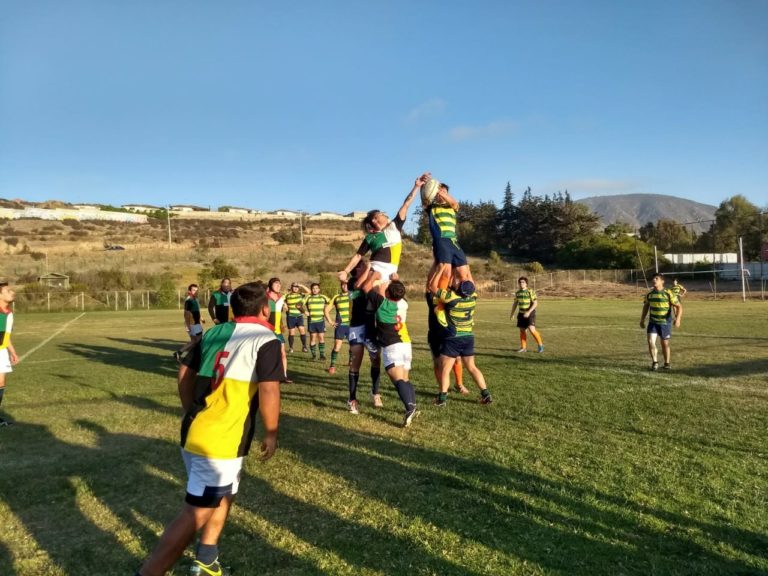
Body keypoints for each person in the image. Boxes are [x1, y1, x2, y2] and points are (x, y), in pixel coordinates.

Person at [135, 281, 283, 576]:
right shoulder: (265, 338)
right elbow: (269, 389)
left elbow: (184, 372)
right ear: (266, 308)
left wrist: (191, 409)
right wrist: (272, 431)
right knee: (195, 513)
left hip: (201, 431)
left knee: (224, 495)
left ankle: (207, 559)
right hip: (219, 440)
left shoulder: (213, 332)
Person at [338, 173, 425, 285]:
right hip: (374, 271)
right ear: (374, 220)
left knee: (394, 301)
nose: (384, 214)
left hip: (391, 274)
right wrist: (346, 271)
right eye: (380, 213)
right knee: (369, 294)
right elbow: (358, 255)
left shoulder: (395, 226)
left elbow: (407, 203)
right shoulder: (370, 237)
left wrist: (417, 186)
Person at [360, 273, 418, 427]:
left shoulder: (381, 303)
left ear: (387, 293)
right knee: (405, 379)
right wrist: (395, 280)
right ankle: (412, 405)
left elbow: (365, 287)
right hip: (406, 344)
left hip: (392, 345)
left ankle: (410, 407)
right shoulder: (403, 303)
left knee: (397, 379)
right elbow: (399, 291)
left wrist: (375, 276)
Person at [431, 276, 492, 407]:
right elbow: (470, 283)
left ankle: (442, 398)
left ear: (459, 289)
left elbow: (432, 286)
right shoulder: (473, 298)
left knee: (445, 369)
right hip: (468, 336)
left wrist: (441, 271)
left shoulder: (451, 298)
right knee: (472, 367)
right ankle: (486, 394)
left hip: (453, 337)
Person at [345, 260, 384, 413]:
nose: (368, 267)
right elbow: (358, 287)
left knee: (375, 359)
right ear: (358, 269)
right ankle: (352, 399)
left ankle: (375, 393)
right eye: (363, 266)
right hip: (356, 326)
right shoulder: (352, 282)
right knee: (356, 361)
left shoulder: (374, 279)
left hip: (371, 326)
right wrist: (370, 270)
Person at [424, 179, 473, 290]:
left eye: (444, 192)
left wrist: (443, 193)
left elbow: (454, 203)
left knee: (464, 273)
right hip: (441, 240)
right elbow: (425, 200)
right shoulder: (432, 207)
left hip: (454, 242)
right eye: (438, 192)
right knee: (446, 273)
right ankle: (440, 303)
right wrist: (425, 186)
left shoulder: (452, 206)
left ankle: (468, 298)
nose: (441, 194)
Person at [425, 285, 467, 395]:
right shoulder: (432, 299)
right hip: (435, 335)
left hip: (450, 334)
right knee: (438, 363)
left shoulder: (451, 300)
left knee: (457, 359)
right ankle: (442, 389)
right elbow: (429, 285)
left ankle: (459, 384)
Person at [640, 273, 682, 371]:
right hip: (653, 322)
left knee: (664, 343)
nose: (654, 280)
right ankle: (655, 362)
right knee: (650, 341)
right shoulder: (649, 294)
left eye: (656, 278)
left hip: (665, 322)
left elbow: (679, 306)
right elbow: (646, 306)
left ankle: (667, 363)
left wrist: (678, 319)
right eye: (653, 278)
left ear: (662, 281)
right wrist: (642, 319)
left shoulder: (668, 293)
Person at [0, 282, 19, 427]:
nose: (12, 292)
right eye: (7, 291)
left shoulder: (9, 313)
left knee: (1, 383)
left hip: (2, 351)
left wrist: (12, 352)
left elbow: (6, 335)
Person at [509, 277, 544, 353]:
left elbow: (535, 303)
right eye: (520, 282)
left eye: (523, 282)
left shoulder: (530, 291)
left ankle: (540, 345)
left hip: (530, 313)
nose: (521, 284)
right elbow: (515, 303)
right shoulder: (518, 293)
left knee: (532, 330)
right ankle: (523, 348)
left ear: (526, 283)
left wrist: (528, 312)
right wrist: (512, 314)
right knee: (522, 330)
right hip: (521, 313)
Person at [267, 277, 291, 383]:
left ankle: (284, 376)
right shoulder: (265, 298)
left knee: (282, 353)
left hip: (278, 331)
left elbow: (281, 310)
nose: (278, 285)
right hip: (267, 331)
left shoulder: (281, 297)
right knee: (269, 354)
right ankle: (268, 375)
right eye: (276, 284)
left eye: (279, 284)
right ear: (270, 285)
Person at [324, 280, 350, 375]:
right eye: (343, 284)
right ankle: (332, 366)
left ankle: (350, 362)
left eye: (347, 284)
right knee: (337, 347)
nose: (345, 286)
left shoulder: (354, 295)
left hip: (352, 325)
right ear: (341, 286)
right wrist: (330, 321)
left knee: (353, 346)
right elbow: (326, 310)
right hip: (341, 326)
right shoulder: (336, 297)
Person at [174, 284, 204, 362]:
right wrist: (187, 325)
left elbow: (196, 311)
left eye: (197, 290)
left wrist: (201, 318)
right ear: (189, 291)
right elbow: (186, 314)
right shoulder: (189, 301)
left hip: (196, 323)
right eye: (194, 290)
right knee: (198, 340)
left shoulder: (195, 299)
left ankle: (181, 354)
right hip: (193, 324)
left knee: (194, 342)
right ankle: (181, 353)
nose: (195, 292)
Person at [304, 283, 330, 361]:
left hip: (321, 321)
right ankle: (314, 355)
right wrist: (304, 311)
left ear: (319, 289)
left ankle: (322, 355)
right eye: (313, 288)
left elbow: (333, 303)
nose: (315, 290)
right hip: (311, 321)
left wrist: (327, 310)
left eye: (316, 288)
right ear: (311, 289)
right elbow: (298, 305)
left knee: (321, 337)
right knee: (313, 338)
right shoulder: (308, 297)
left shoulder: (323, 297)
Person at [284, 282, 309, 353]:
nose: (295, 288)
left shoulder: (301, 295)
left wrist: (302, 285)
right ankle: (291, 348)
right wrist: (284, 304)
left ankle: (304, 347)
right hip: (290, 316)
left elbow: (309, 292)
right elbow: (280, 298)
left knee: (302, 330)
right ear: (291, 287)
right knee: (292, 332)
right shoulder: (287, 295)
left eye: (297, 287)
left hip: (299, 316)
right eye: (294, 286)